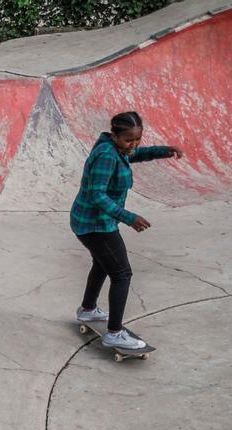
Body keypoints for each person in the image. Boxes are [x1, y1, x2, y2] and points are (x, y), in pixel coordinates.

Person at [71, 111, 183, 350]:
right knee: (122, 274)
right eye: (128, 140)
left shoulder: (117, 149)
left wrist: (164, 150)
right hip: (95, 224)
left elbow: (136, 154)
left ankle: (88, 309)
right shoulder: (106, 156)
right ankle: (114, 333)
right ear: (114, 135)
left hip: (95, 222)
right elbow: (96, 194)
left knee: (102, 263)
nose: (133, 145)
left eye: (137, 139)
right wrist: (129, 218)